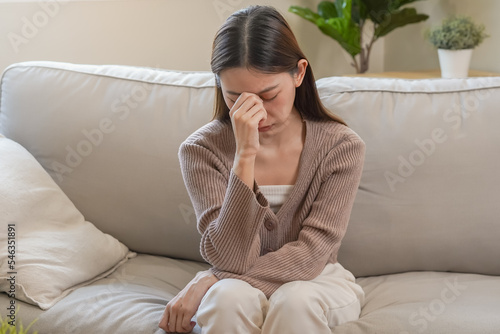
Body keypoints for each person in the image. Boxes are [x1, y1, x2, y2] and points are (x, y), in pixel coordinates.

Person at [159, 5, 365, 334]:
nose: (256, 114)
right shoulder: (201, 150)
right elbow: (231, 256)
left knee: (293, 301)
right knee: (226, 300)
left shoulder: (340, 147)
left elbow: (312, 255)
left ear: (299, 73)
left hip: (316, 281)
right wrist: (245, 156)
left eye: (268, 95)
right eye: (236, 98)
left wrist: (210, 278)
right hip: (237, 285)